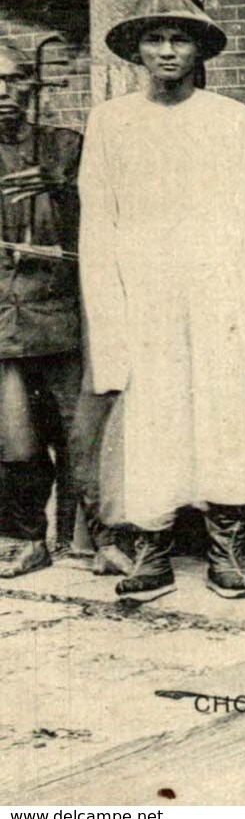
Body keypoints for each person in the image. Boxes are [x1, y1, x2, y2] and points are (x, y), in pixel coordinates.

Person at [79, 0, 245, 601]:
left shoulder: (229, 120)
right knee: (152, 421)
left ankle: (230, 546)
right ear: (137, 51)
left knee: (225, 415)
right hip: (145, 295)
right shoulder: (112, 122)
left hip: (216, 294)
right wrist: (113, 326)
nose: (168, 51)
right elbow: (100, 226)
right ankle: (152, 551)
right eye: (155, 38)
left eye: (180, 39)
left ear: (199, 50)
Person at [0, 44, 84, 579]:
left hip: (66, 314)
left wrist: (63, 189)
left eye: (14, 81)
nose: (3, 94)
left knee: (81, 432)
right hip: (5, 319)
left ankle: (85, 538)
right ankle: (25, 536)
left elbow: (109, 221)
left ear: (34, 87)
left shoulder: (67, 147)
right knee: (14, 438)